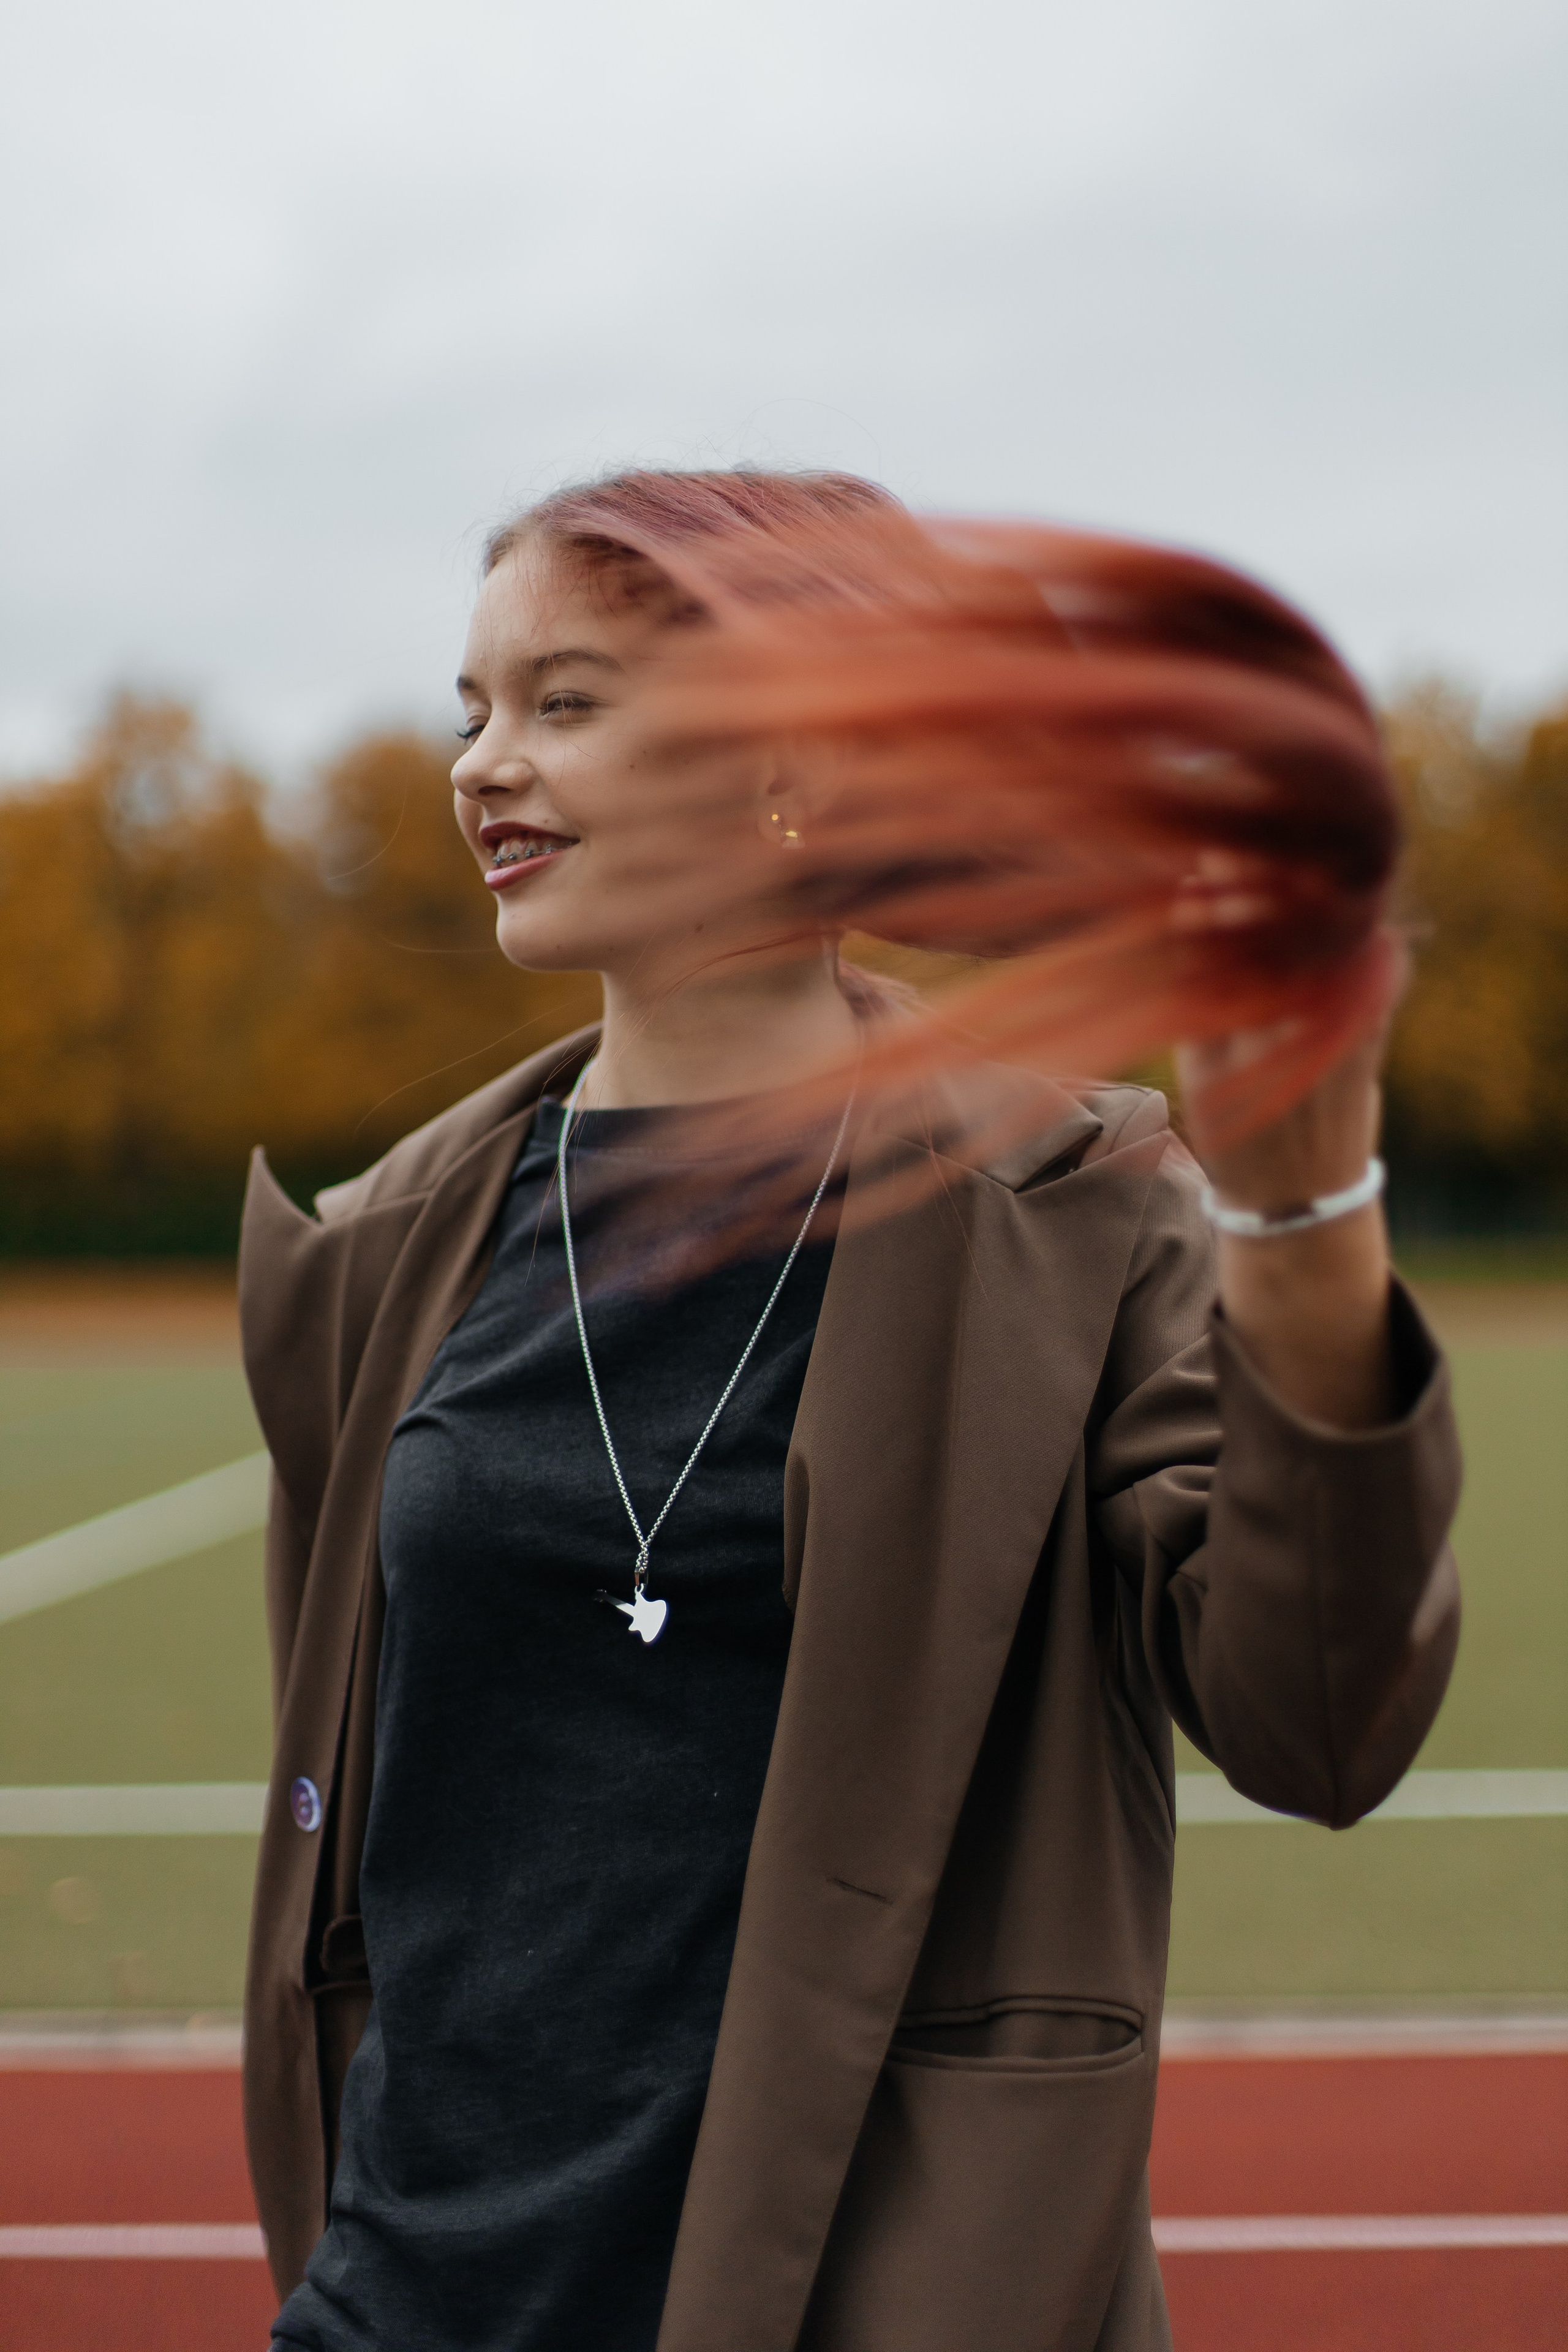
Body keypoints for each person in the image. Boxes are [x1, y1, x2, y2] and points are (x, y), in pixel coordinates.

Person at [240, 469, 1461, 2352]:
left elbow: (1318, 1720)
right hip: (413, 2298)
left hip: (867, 2296)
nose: (485, 765)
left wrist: (1300, 1217)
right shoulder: (387, 1246)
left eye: (567, 703)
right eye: (470, 710)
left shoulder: (1073, 1209)